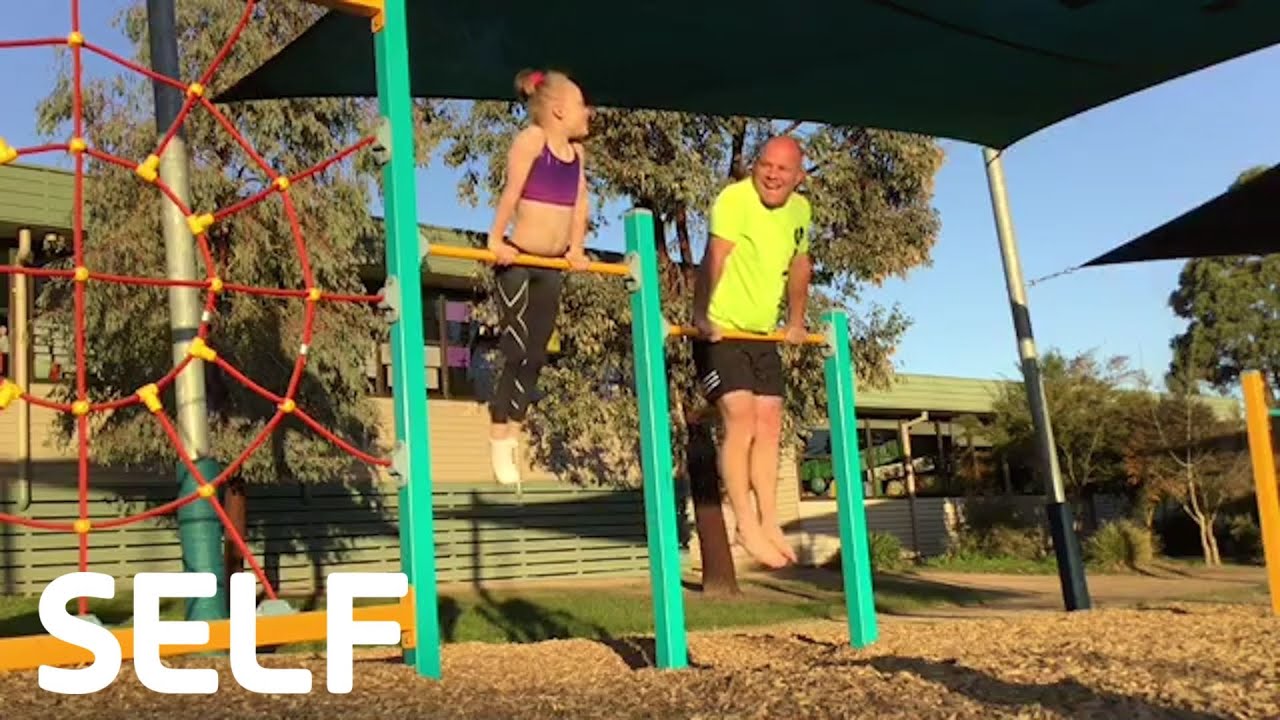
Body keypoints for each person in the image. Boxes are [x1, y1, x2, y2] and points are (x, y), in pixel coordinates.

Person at [691, 135, 813, 569]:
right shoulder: (734, 199)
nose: (773, 175)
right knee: (741, 416)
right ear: (755, 166)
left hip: (762, 336)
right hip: (721, 332)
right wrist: (701, 314)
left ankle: (769, 520)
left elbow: (800, 266)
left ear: (799, 177)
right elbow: (715, 258)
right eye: (766, 165)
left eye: (783, 170)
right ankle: (743, 524)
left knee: (771, 421)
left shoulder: (801, 211)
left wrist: (796, 321)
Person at [484, 68, 592, 486]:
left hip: (551, 266)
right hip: (519, 260)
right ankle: (498, 433)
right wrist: (496, 239)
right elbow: (511, 191)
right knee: (514, 347)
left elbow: (579, 206)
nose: (589, 112)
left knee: (537, 353)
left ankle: (515, 427)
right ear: (561, 110)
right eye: (582, 105)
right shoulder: (532, 140)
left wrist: (577, 249)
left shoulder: (578, 157)